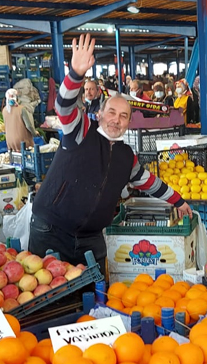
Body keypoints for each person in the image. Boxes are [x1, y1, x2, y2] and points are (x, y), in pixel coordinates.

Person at [29, 34, 193, 268]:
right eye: (112, 113)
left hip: (91, 239)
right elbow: (63, 106)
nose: (116, 120)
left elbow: (149, 182)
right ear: (100, 114)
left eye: (123, 116)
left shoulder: (126, 156)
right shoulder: (82, 129)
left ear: (129, 123)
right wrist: (75, 74)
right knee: (48, 297)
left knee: (91, 295)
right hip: (52, 230)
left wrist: (178, 201)